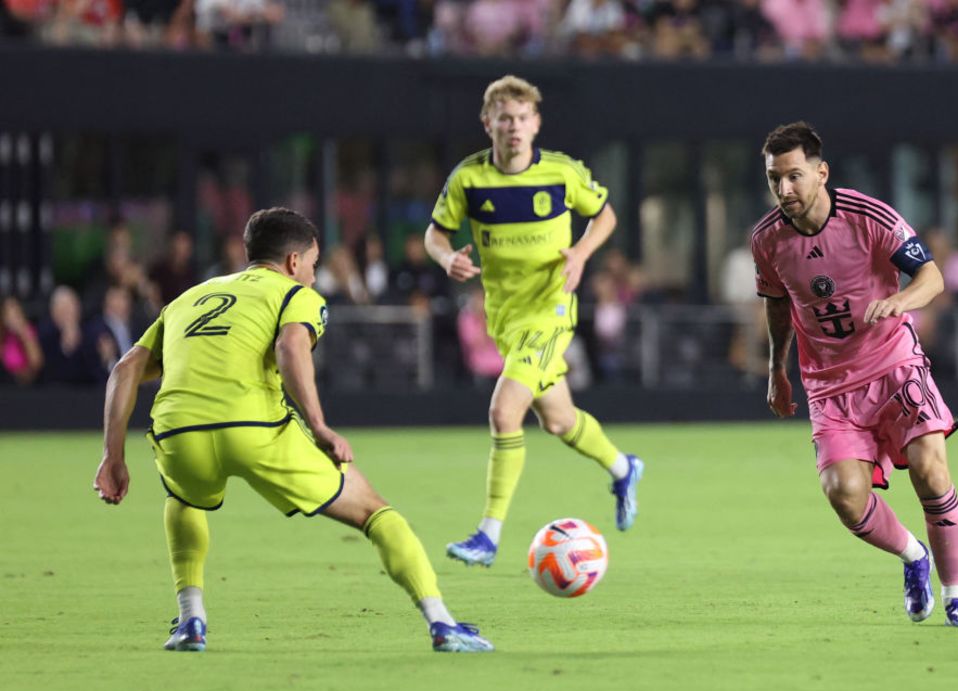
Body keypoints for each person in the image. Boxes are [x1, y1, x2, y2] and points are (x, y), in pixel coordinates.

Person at [92, 207, 493, 653]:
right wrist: (319, 425)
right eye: (315, 265)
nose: (316, 277)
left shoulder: (189, 298)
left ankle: (191, 621)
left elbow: (125, 368)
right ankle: (442, 623)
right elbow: (290, 344)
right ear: (293, 262)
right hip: (253, 428)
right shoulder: (293, 294)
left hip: (177, 432)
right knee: (375, 512)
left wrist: (113, 456)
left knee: (184, 499)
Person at [751, 122, 958, 629]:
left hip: (893, 364)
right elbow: (777, 304)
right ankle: (913, 556)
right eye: (775, 178)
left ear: (822, 172)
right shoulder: (767, 240)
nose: (784, 189)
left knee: (930, 469)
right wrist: (777, 368)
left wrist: (900, 301)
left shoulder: (869, 216)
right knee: (844, 493)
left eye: (794, 176)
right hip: (830, 385)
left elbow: (931, 276)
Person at [424, 75, 644, 567]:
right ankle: (623, 466)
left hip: (552, 310)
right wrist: (445, 260)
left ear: (536, 123)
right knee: (560, 419)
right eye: (505, 119)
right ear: (488, 124)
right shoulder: (468, 179)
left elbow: (604, 215)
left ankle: (488, 534)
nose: (515, 127)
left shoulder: (561, 173)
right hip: (505, 318)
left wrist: (582, 253)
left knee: (505, 412)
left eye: (523, 118)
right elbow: (434, 235)